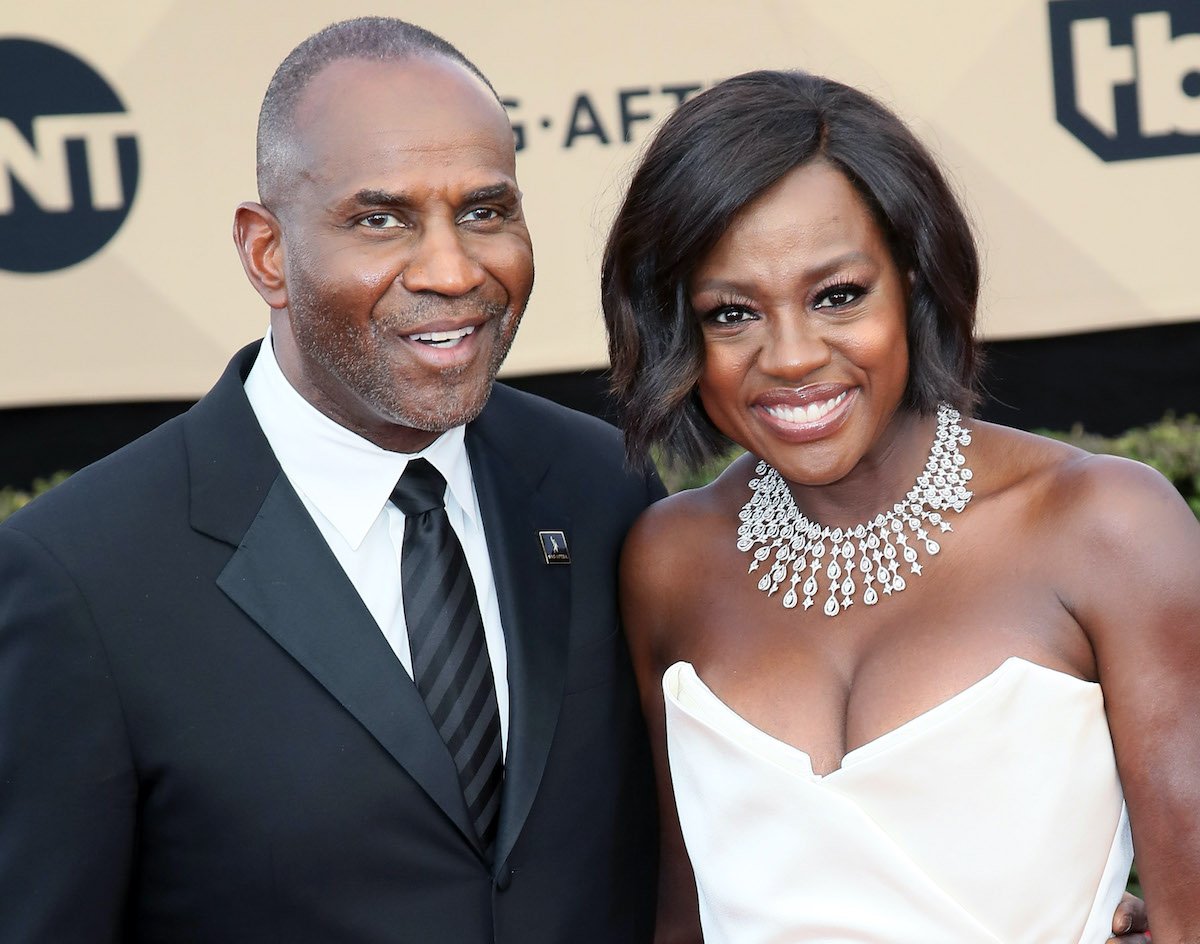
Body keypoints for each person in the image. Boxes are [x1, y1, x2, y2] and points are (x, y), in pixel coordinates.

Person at [0, 18, 660, 943]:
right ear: (267, 253)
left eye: (485, 210)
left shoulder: (604, 486)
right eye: (379, 218)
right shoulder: (78, 579)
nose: (452, 269)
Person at [601, 69, 1194, 943]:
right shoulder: (669, 561)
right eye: (731, 314)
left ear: (914, 283)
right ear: (679, 333)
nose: (793, 356)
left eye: (838, 296)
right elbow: (682, 919)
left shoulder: (1102, 526)